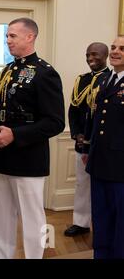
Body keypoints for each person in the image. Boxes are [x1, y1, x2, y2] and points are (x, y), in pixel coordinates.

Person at [0, 18, 65, 259]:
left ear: (30, 37)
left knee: (33, 218)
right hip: (1, 156)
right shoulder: (8, 71)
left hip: (29, 159)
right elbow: (1, 110)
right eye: (7, 36)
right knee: (1, 215)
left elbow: (55, 122)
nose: (7, 40)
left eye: (13, 36)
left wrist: (16, 134)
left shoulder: (45, 73)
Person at [83, 36, 124, 259]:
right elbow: (96, 119)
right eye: (114, 48)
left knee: (120, 220)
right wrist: (88, 150)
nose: (116, 52)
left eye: (122, 49)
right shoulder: (104, 80)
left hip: (120, 166)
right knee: (100, 216)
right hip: (99, 162)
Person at [64, 43, 110, 237]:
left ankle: (103, 225)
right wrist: (77, 133)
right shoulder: (81, 80)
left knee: (104, 185)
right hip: (83, 143)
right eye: (88, 54)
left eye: (95, 54)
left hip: (103, 144)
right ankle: (81, 222)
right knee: (82, 183)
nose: (91, 58)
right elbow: (74, 110)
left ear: (105, 56)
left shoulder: (111, 80)